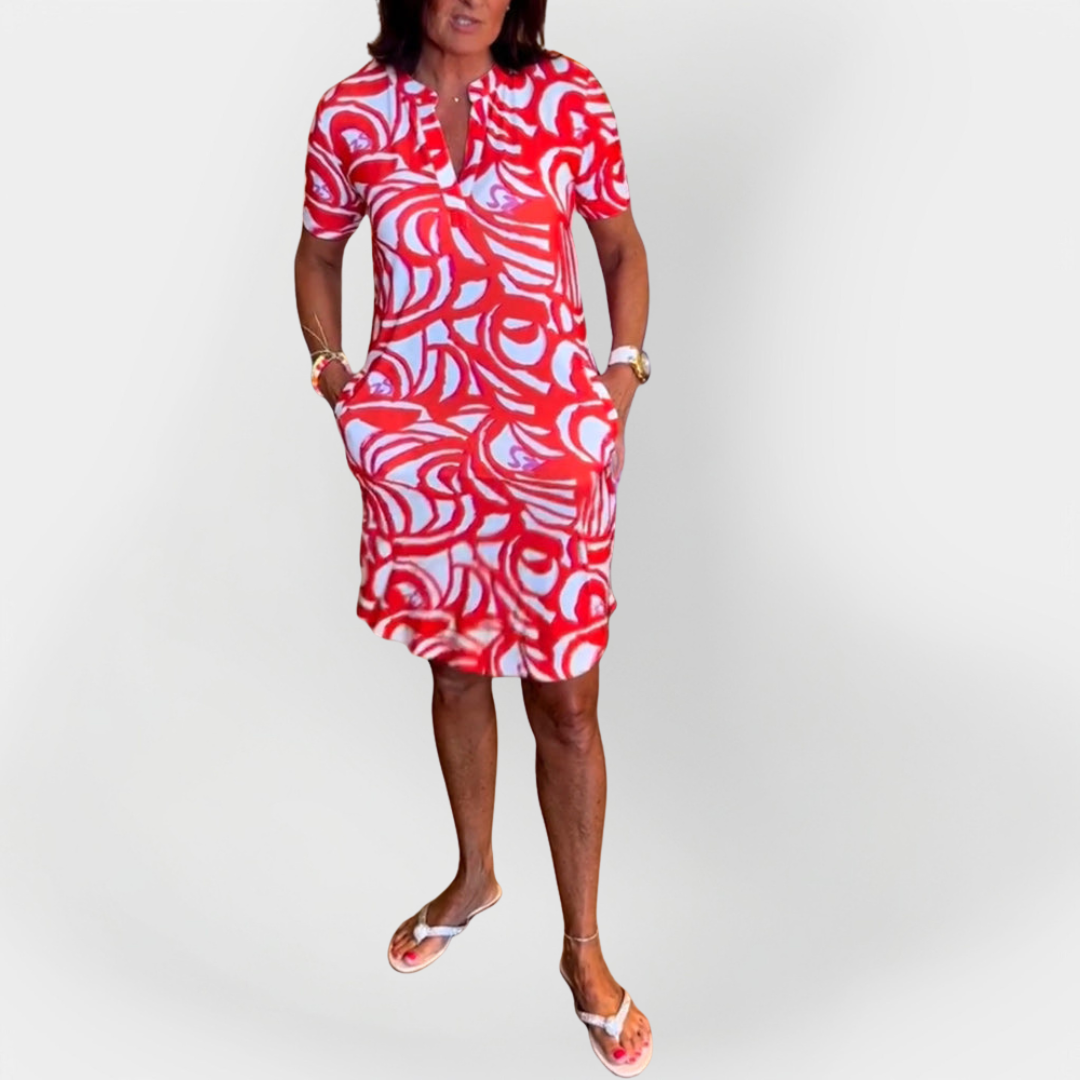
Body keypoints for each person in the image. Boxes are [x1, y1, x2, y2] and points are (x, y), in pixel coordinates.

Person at [293, 0, 652, 1073]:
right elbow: (318, 251)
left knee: (567, 703)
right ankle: (474, 875)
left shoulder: (567, 96)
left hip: (551, 446)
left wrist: (619, 381)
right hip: (424, 457)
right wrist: (338, 379)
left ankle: (582, 951)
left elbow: (621, 247)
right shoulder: (353, 111)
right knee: (456, 671)